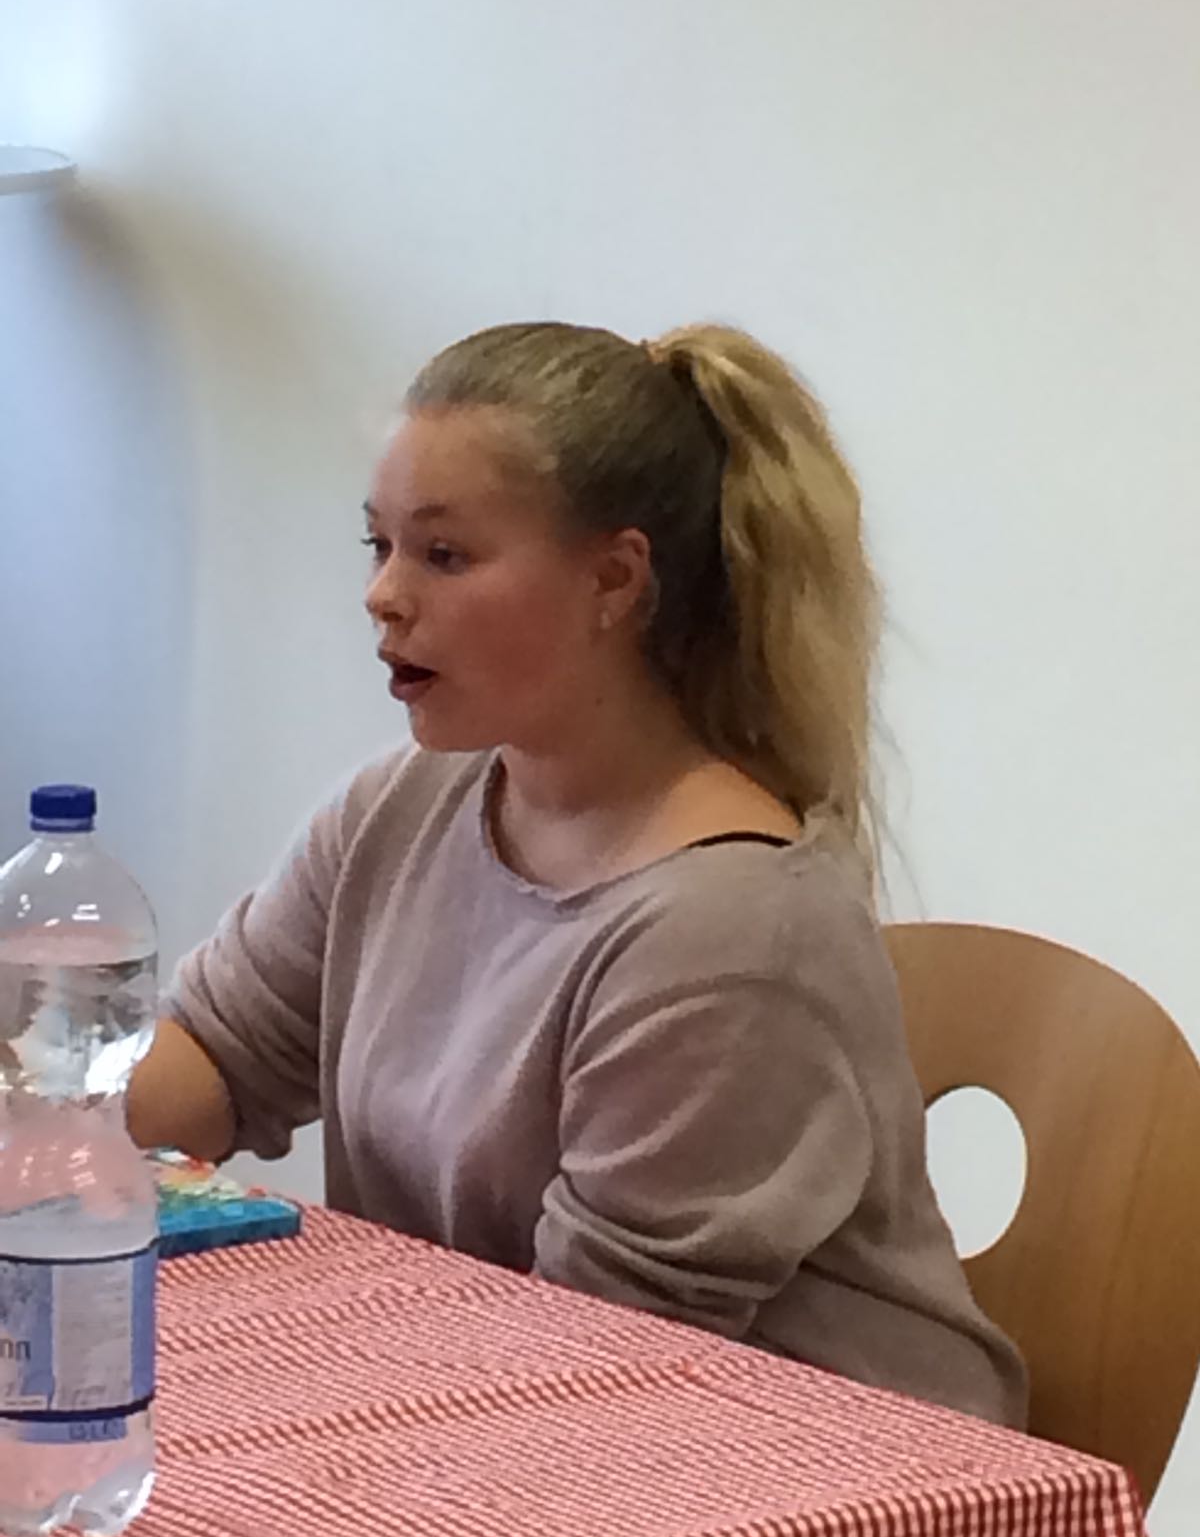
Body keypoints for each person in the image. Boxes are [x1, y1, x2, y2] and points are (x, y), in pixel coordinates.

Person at [128, 321, 1027, 1425]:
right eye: (380, 545)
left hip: (812, 1462)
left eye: (444, 555)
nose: (383, 595)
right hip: (522, 1409)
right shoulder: (399, 808)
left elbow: (592, 1362)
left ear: (614, 578)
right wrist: (38, 1100)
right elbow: (214, 1060)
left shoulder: (729, 928)